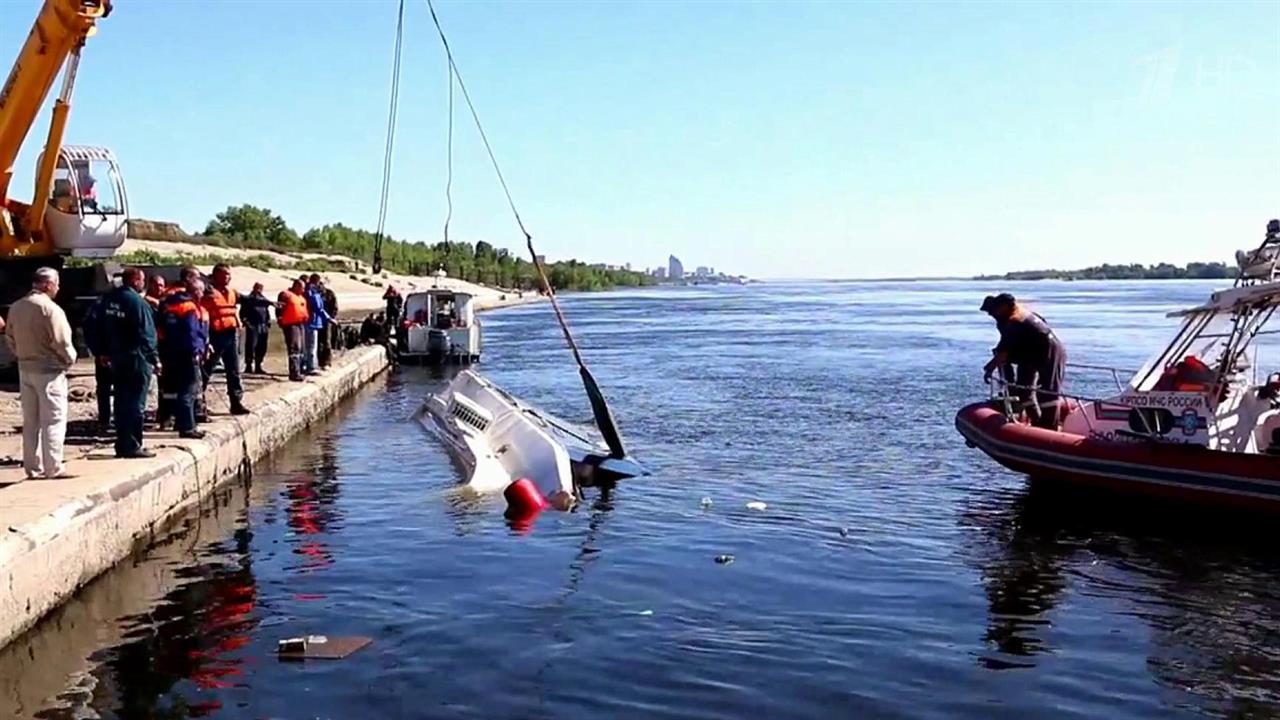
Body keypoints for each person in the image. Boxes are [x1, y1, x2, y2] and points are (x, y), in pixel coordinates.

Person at [5, 268, 76, 478]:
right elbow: (62, 341)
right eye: (57, 283)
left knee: (31, 421)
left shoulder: (16, 307)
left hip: (25, 368)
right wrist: (69, 359)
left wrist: (21, 354)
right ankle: (53, 467)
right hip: (49, 371)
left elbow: (9, 337)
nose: (58, 288)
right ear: (47, 284)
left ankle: (32, 467)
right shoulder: (50, 309)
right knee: (53, 419)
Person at [982, 293, 1068, 430]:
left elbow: (1004, 352)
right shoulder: (1020, 314)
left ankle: (1049, 428)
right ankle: (1036, 420)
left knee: (1048, 392)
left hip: (1050, 350)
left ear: (1003, 307)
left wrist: (990, 368)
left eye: (992, 310)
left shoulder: (1015, 321)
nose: (990, 314)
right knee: (1024, 389)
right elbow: (1004, 346)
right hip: (1030, 351)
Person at [100, 267, 161, 457]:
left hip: (117, 357)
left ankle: (121, 442)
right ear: (135, 281)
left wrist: (102, 351)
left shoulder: (109, 300)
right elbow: (147, 333)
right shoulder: (137, 302)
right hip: (137, 357)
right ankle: (133, 445)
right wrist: (154, 358)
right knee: (136, 402)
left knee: (120, 401)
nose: (143, 283)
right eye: (142, 280)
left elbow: (96, 325)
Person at [158, 268, 209, 439]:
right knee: (189, 390)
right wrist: (196, 351)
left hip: (170, 351)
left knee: (175, 388)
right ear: (196, 292)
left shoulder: (170, 303)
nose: (203, 294)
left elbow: (163, 328)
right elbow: (191, 332)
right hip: (187, 353)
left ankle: (176, 420)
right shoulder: (189, 307)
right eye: (201, 291)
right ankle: (187, 427)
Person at [199, 263, 256, 415]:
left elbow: (249, 300)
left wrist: (270, 303)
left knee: (234, 370)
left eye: (229, 275)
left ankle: (236, 402)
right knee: (207, 370)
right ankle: (198, 403)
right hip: (215, 335)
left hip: (231, 334)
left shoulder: (232, 292)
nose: (228, 277)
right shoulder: (207, 292)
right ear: (216, 275)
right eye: (225, 274)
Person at [83, 292, 114, 434]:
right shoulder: (101, 305)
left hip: (105, 353)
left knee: (104, 389)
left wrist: (97, 351)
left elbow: (88, 328)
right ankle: (107, 420)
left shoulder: (98, 305)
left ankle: (105, 420)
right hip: (116, 354)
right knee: (110, 389)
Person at [277, 278, 310, 381]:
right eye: (302, 288)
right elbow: (279, 309)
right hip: (290, 325)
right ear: (296, 286)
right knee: (294, 348)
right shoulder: (285, 295)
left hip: (300, 324)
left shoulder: (300, 297)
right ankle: (294, 373)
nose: (303, 290)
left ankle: (299, 370)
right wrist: (280, 320)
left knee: (300, 348)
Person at [302, 274, 332, 375]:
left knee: (306, 346)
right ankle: (310, 367)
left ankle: (305, 366)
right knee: (311, 346)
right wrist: (329, 318)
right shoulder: (312, 292)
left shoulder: (306, 290)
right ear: (317, 281)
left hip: (307, 321)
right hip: (312, 322)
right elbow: (318, 307)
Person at [240, 282, 272, 374]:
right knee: (251, 346)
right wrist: (246, 323)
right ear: (254, 288)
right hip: (253, 325)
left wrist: (268, 321)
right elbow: (242, 313)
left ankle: (258, 365)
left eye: (260, 288)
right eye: (257, 288)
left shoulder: (264, 300)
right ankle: (248, 365)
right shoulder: (249, 300)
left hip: (263, 325)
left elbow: (267, 312)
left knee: (262, 346)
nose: (258, 290)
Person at [321, 280, 339, 368]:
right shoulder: (315, 293)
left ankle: (327, 362)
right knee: (318, 342)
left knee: (326, 341)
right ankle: (320, 361)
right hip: (318, 321)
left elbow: (335, 307)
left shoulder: (329, 294)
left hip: (327, 320)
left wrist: (331, 318)